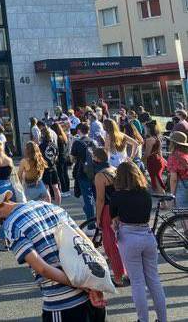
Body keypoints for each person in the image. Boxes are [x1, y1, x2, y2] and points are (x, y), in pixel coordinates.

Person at [0, 192, 107, 321]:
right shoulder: (46, 205)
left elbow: (42, 268)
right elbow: (86, 242)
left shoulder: (12, 226)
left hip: (62, 300)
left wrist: (80, 284)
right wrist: (92, 282)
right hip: (91, 290)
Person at [109, 162, 168, 322]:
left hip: (128, 237)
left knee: (137, 282)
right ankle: (163, 319)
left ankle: (143, 320)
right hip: (147, 236)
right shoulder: (145, 193)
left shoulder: (116, 195)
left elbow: (114, 219)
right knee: (154, 281)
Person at [92, 148, 128, 286]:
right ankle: (126, 272)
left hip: (108, 209)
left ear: (96, 159)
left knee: (110, 244)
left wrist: (98, 217)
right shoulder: (114, 169)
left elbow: (100, 199)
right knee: (122, 241)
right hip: (121, 208)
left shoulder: (100, 176)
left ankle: (119, 276)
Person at [71, 123, 97, 229]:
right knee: (97, 197)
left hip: (82, 172)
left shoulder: (77, 143)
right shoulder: (93, 142)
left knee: (87, 198)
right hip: (94, 173)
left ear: (79, 131)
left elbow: (72, 159)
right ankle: (100, 222)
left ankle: (91, 225)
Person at [39, 127, 62, 205]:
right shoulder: (54, 145)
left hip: (45, 169)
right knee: (56, 188)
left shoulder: (41, 146)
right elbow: (56, 156)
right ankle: (58, 206)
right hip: (53, 168)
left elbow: (39, 158)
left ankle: (49, 206)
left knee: (46, 189)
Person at [143, 120, 166, 194]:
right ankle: (163, 203)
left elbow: (147, 154)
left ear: (149, 129)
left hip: (153, 162)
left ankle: (164, 203)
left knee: (157, 183)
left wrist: (141, 160)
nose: (145, 129)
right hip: (158, 160)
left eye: (145, 128)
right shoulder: (157, 137)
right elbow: (160, 152)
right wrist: (163, 160)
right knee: (159, 181)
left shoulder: (149, 139)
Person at [168, 130, 188, 210]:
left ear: (173, 143)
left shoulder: (173, 156)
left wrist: (172, 196)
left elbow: (174, 179)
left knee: (182, 214)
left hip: (182, 185)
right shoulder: (186, 154)